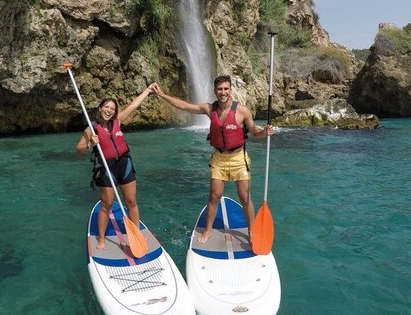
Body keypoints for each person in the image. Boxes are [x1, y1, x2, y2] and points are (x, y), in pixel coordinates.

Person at [150, 76, 274, 245]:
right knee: (214, 196)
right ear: (215, 91)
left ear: (230, 90)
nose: (223, 92)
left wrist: (264, 133)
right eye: (220, 89)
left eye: (226, 89)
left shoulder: (242, 111)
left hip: (239, 158)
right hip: (219, 158)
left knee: (244, 197)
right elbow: (184, 106)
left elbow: (254, 132)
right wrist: (162, 95)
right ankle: (208, 230)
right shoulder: (209, 109)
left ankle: (251, 230)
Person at [76, 87, 152, 249]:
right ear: (100, 109)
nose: (109, 110)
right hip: (105, 168)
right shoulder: (91, 129)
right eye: (106, 107)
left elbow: (133, 106)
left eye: (112, 108)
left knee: (131, 201)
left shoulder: (118, 121)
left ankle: (136, 235)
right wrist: (90, 144)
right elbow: (79, 150)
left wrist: (148, 90)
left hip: (124, 165)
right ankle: (102, 239)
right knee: (106, 205)